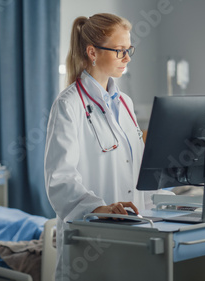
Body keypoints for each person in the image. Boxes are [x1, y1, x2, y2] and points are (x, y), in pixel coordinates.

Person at [44, 13, 153, 280]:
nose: (127, 58)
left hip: (134, 234)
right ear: (92, 52)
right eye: (119, 51)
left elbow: (138, 167)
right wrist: (98, 208)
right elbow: (60, 180)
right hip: (89, 239)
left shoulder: (125, 102)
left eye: (129, 50)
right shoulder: (68, 105)